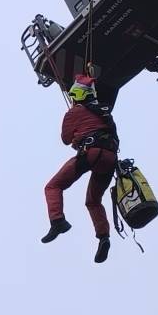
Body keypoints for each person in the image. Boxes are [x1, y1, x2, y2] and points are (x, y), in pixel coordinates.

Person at [41, 74, 120, 264]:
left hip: (90, 153)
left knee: (53, 187)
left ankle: (57, 221)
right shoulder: (104, 111)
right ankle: (104, 238)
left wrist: (76, 130)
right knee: (93, 201)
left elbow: (65, 138)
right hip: (110, 159)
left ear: (76, 95)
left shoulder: (74, 112)